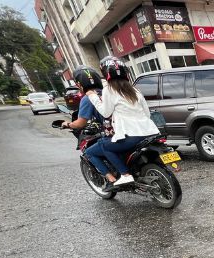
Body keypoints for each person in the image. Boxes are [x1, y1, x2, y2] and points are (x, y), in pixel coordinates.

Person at [85, 56, 159, 188]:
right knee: (109, 144)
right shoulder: (134, 90)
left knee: (103, 145)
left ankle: (125, 175)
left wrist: (93, 97)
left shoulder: (109, 89)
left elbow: (105, 112)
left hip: (131, 136)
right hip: (150, 132)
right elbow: (146, 113)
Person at [61, 66, 104, 134]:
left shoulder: (88, 97)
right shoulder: (108, 92)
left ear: (79, 84)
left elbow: (80, 123)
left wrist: (67, 124)